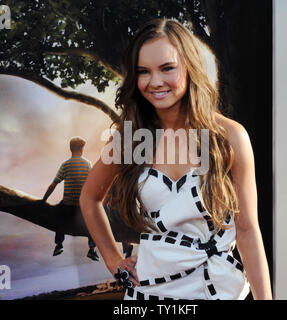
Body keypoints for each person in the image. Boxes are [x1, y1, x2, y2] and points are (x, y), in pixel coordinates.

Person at [80, 19, 272, 299]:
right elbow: (89, 198)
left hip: (220, 289)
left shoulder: (229, 137)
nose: (155, 82)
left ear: (190, 67)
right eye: (143, 72)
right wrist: (113, 260)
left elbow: (247, 231)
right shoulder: (130, 139)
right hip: (150, 292)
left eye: (167, 68)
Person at [43, 136, 99, 261]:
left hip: (68, 205)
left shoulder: (65, 165)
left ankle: (58, 245)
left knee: (59, 217)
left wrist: (43, 199)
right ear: (81, 149)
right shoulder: (87, 164)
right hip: (82, 206)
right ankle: (92, 249)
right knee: (94, 222)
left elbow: (53, 184)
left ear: (71, 149)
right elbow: (92, 184)